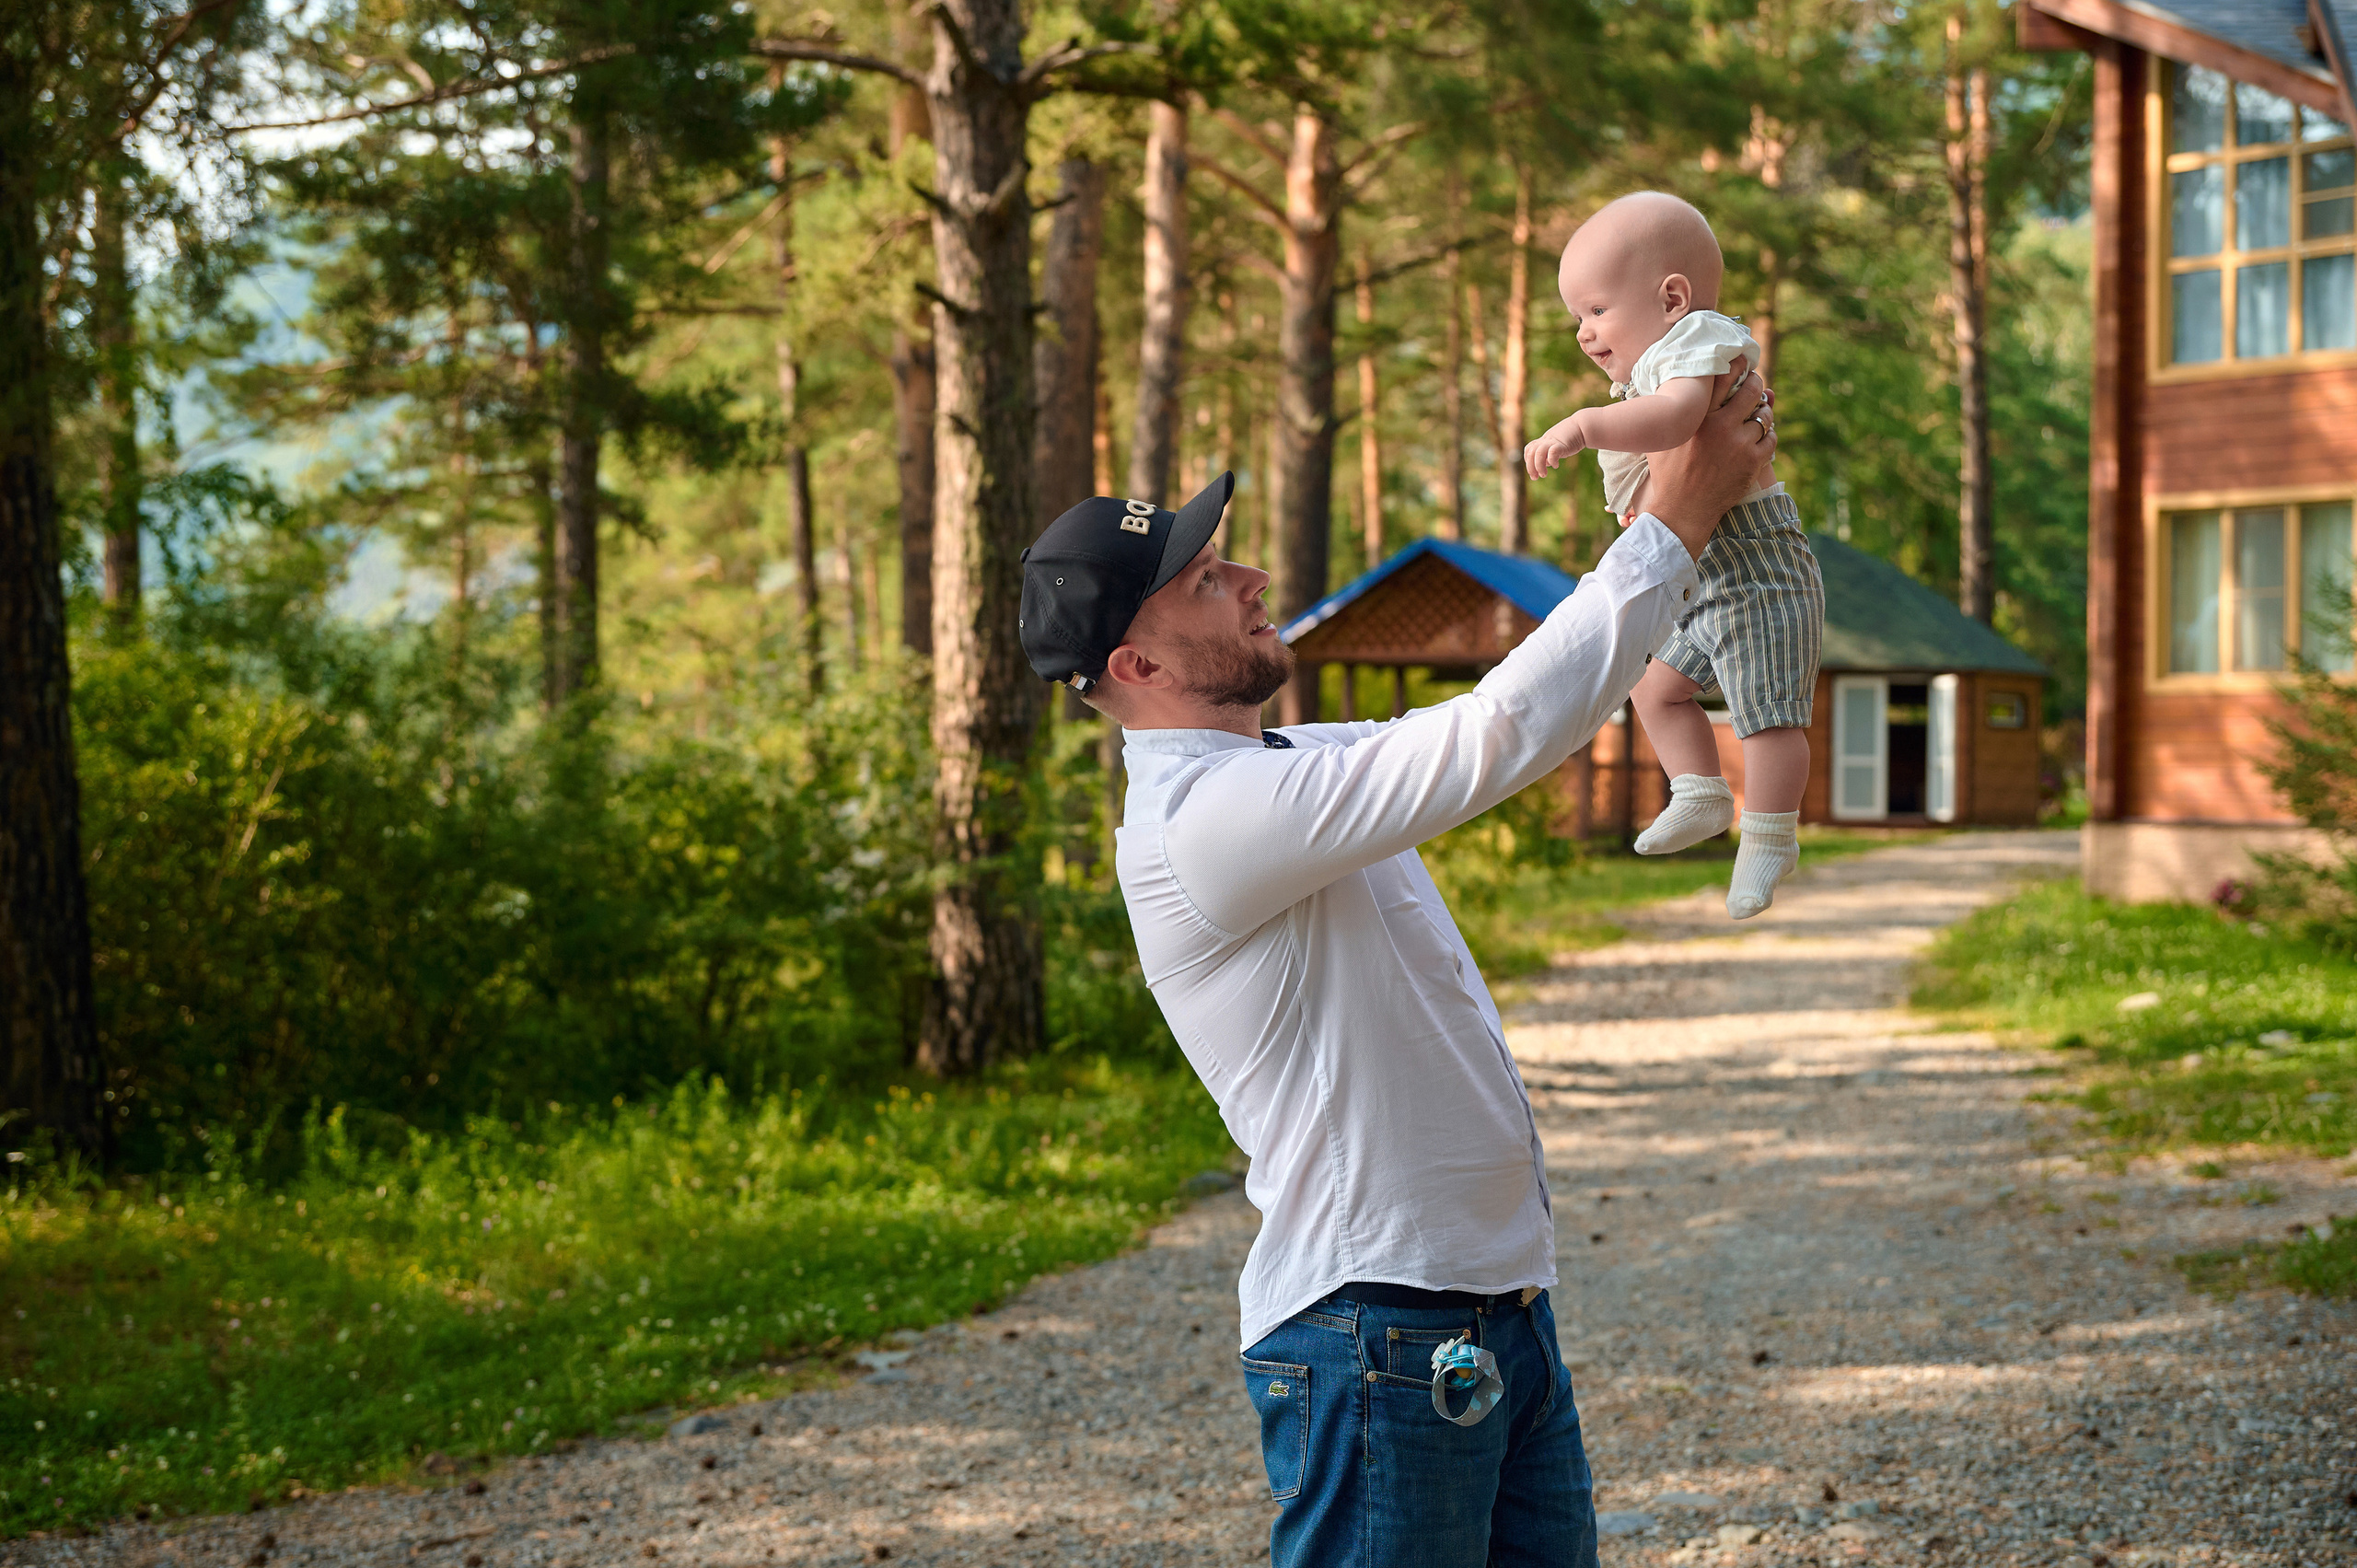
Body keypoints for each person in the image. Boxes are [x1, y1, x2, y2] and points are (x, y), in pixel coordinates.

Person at [1015, 366, 1777, 1568]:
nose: (1251, 574)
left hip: (1489, 1313)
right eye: (1204, 580)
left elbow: (1517, 707)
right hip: (1379, 1329)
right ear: (1136, 667)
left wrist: (1670, 484)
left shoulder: (1290, 761)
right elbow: (1494, 735)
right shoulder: (1201, 822)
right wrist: (1673, 521)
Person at [1523, 191, 1826, 920]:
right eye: (1576, 320)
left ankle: (1771, 833)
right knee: (1653, 689)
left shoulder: (1698, 343)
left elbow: (1682, 418)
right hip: (1703, 569)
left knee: (1767, 714)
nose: (1585, 334)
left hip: (1754, 566)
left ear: (1671, 298)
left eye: (1596, 311)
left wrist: (1588, 425)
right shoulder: (1651, 365)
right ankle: (1698, 791)